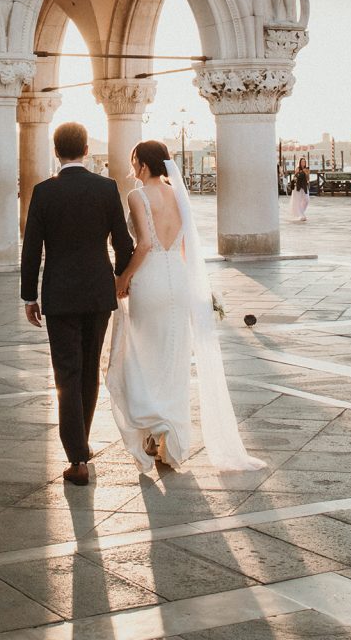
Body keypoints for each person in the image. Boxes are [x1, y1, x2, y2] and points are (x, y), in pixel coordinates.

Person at [105, 140, 265, 474]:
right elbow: (185, 249)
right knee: (174, 359)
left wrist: (124, 277)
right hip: (178, 281)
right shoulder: (179, 194)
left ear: (144, 165)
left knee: (144, 357)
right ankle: (169, 440)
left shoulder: (137, 196)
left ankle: (152, 426)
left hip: (149, 282)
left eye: (134, 162)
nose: (132, 168)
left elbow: (146, 244)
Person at [20, 121, 133, 486]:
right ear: (86, 150)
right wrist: (119, 278)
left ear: (56, 151)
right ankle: (81, 447)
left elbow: (31, 249)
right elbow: (123, 242)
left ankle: (77, 458)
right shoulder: (106, 188)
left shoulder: (43, 192)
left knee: (66, 373)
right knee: (88, 368)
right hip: (99, 294)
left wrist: (29, 296)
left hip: (60, 295)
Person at [288, 157, 309, 222]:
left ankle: (301, 212)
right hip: (298, 186)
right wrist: (302, 172)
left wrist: (308, 181)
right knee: (297, 201)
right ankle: (300, 215)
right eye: (302, 161)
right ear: (300, 162)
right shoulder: (297, 169)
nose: (303, 162)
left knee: (306, 200)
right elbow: (295, 177)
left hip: (304, 186)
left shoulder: (307, 169)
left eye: (304, 161)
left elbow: (308, 178)